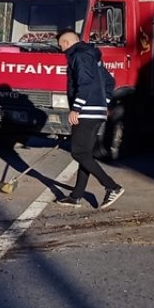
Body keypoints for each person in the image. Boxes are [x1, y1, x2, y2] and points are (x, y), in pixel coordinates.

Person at [56, 29, 125, 209]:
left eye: (60, 45)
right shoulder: (93, 56)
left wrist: (76, 108)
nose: (61, 49)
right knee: (85, 153)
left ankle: (112, 186)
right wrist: (104, 102)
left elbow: (84, 83)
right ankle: (76, 195)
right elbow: (110, 82)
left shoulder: (78, 56)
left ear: (65, 43)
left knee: (78, 152)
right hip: (95, 110)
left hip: (86, 111)